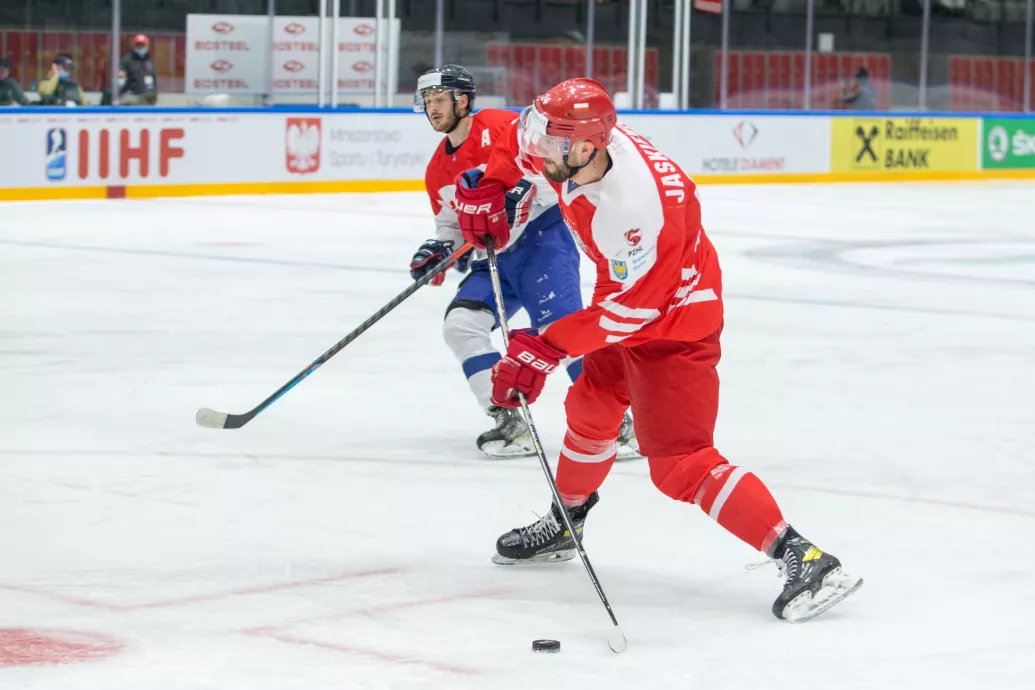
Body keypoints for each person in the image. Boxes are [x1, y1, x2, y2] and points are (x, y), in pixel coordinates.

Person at [453, 78, 862, 622]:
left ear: (586, 147)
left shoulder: (638, 205)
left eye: (549, 145)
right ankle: (567, 522)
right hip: (624, 296)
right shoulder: (569, 149)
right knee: (591, 407)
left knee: (679, 463)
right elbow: (514, 141)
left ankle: (805, 558)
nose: (537, 151)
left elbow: (635, 313)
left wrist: (545, 348)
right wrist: (490, 183)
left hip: (675, 321)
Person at [411, 65, 640, 460]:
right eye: (427, 101)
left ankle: (619, 425)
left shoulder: (500, 125)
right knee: (461, 325)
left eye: (439, 99)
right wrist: (439, 248)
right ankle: (508, 420)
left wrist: (519, 193)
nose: (433, 108)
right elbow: (451, 223)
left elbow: (553, 169)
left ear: (462, 100)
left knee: (563, 333)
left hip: (541, 244)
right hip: (494, 257)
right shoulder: (437, 169)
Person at [119, 34, 158, 105]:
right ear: (134, 46)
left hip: (148, 97)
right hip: (133, 96)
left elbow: (153, 78)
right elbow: (121, 78)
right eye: (138, 45)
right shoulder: (127, 60)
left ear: (147, 46)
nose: (140, 48)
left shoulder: (149, 61)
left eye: (142, 45)